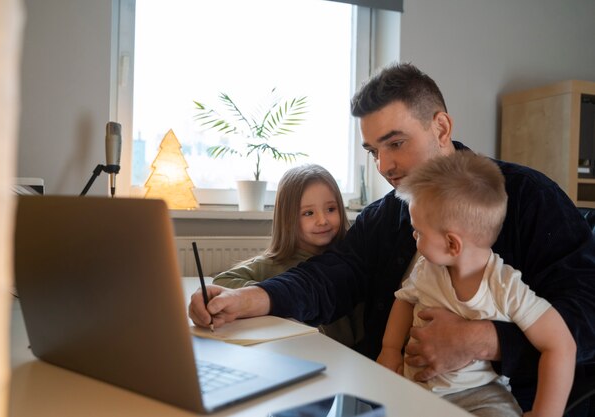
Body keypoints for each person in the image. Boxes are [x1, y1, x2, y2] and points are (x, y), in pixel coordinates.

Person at [189, 63, 595, 416]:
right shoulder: (387, 213)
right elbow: (334, 274)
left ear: (441, 127)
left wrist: (483, 340)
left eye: (396, 143)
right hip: (386, 391)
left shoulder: (528, 197)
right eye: (372, 151)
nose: (384, 165)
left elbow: (587, 312)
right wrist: (251, 299)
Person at [377, 151, 575, 417]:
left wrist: (545, 413)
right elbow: (404, 300)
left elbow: (561, 345)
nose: (413, 236)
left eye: (419, 232)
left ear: (452, 244)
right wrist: (389, 349)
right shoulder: (427, 269)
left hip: (481, 398)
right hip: (419, 391)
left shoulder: (505, 287)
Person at [213, 164, 363, 346]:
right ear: (288, 219)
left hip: (347, 359)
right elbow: (223, 281)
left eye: (331, 209)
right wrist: (272, 297)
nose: (322, 220)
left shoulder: (349, 265)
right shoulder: (272, 264)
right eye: (308, 213)